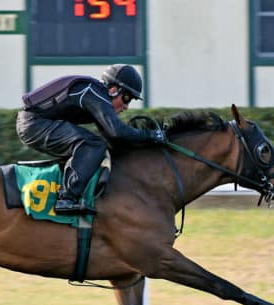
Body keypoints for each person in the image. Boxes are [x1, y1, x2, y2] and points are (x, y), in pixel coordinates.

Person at [16, 64, 166, 215]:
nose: (126, 106)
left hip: (36, 123)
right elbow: (118, 131)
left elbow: (114, 139)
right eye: (126, 98)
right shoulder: (93, 93)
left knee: (96, 145)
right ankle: (66, 198)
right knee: (91, 145)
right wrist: (153, 135)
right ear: (114, 90)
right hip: (34, 123)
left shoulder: (96, 97)